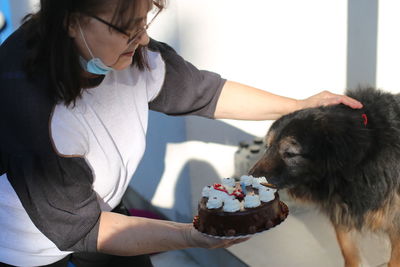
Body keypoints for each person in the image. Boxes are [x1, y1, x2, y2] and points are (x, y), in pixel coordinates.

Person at [0, 0, 363, 266]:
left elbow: (205, 93)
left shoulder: (129, 51)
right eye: (127, 28)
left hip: (103, 208)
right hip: (32, 241)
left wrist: (298, 104)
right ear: (70, 20)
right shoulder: (31, 107)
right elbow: (84, 229)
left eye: (145, 21)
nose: (142, 39)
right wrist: (188, 236)